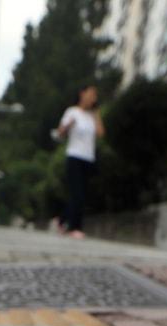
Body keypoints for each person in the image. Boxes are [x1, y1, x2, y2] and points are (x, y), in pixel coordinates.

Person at [54, 85, 103, 238]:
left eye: (95, 95)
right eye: (91, 94)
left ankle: (62, 220)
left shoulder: (92, 116)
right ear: (82, 94)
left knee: (81, 194)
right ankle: (75, 227)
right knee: (77, 193)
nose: (93, 97)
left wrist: (96, 114)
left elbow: (101, 133)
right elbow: (59, 133)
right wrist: (69, 125)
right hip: (74, 156)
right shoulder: (72, 112)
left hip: (88, 158)